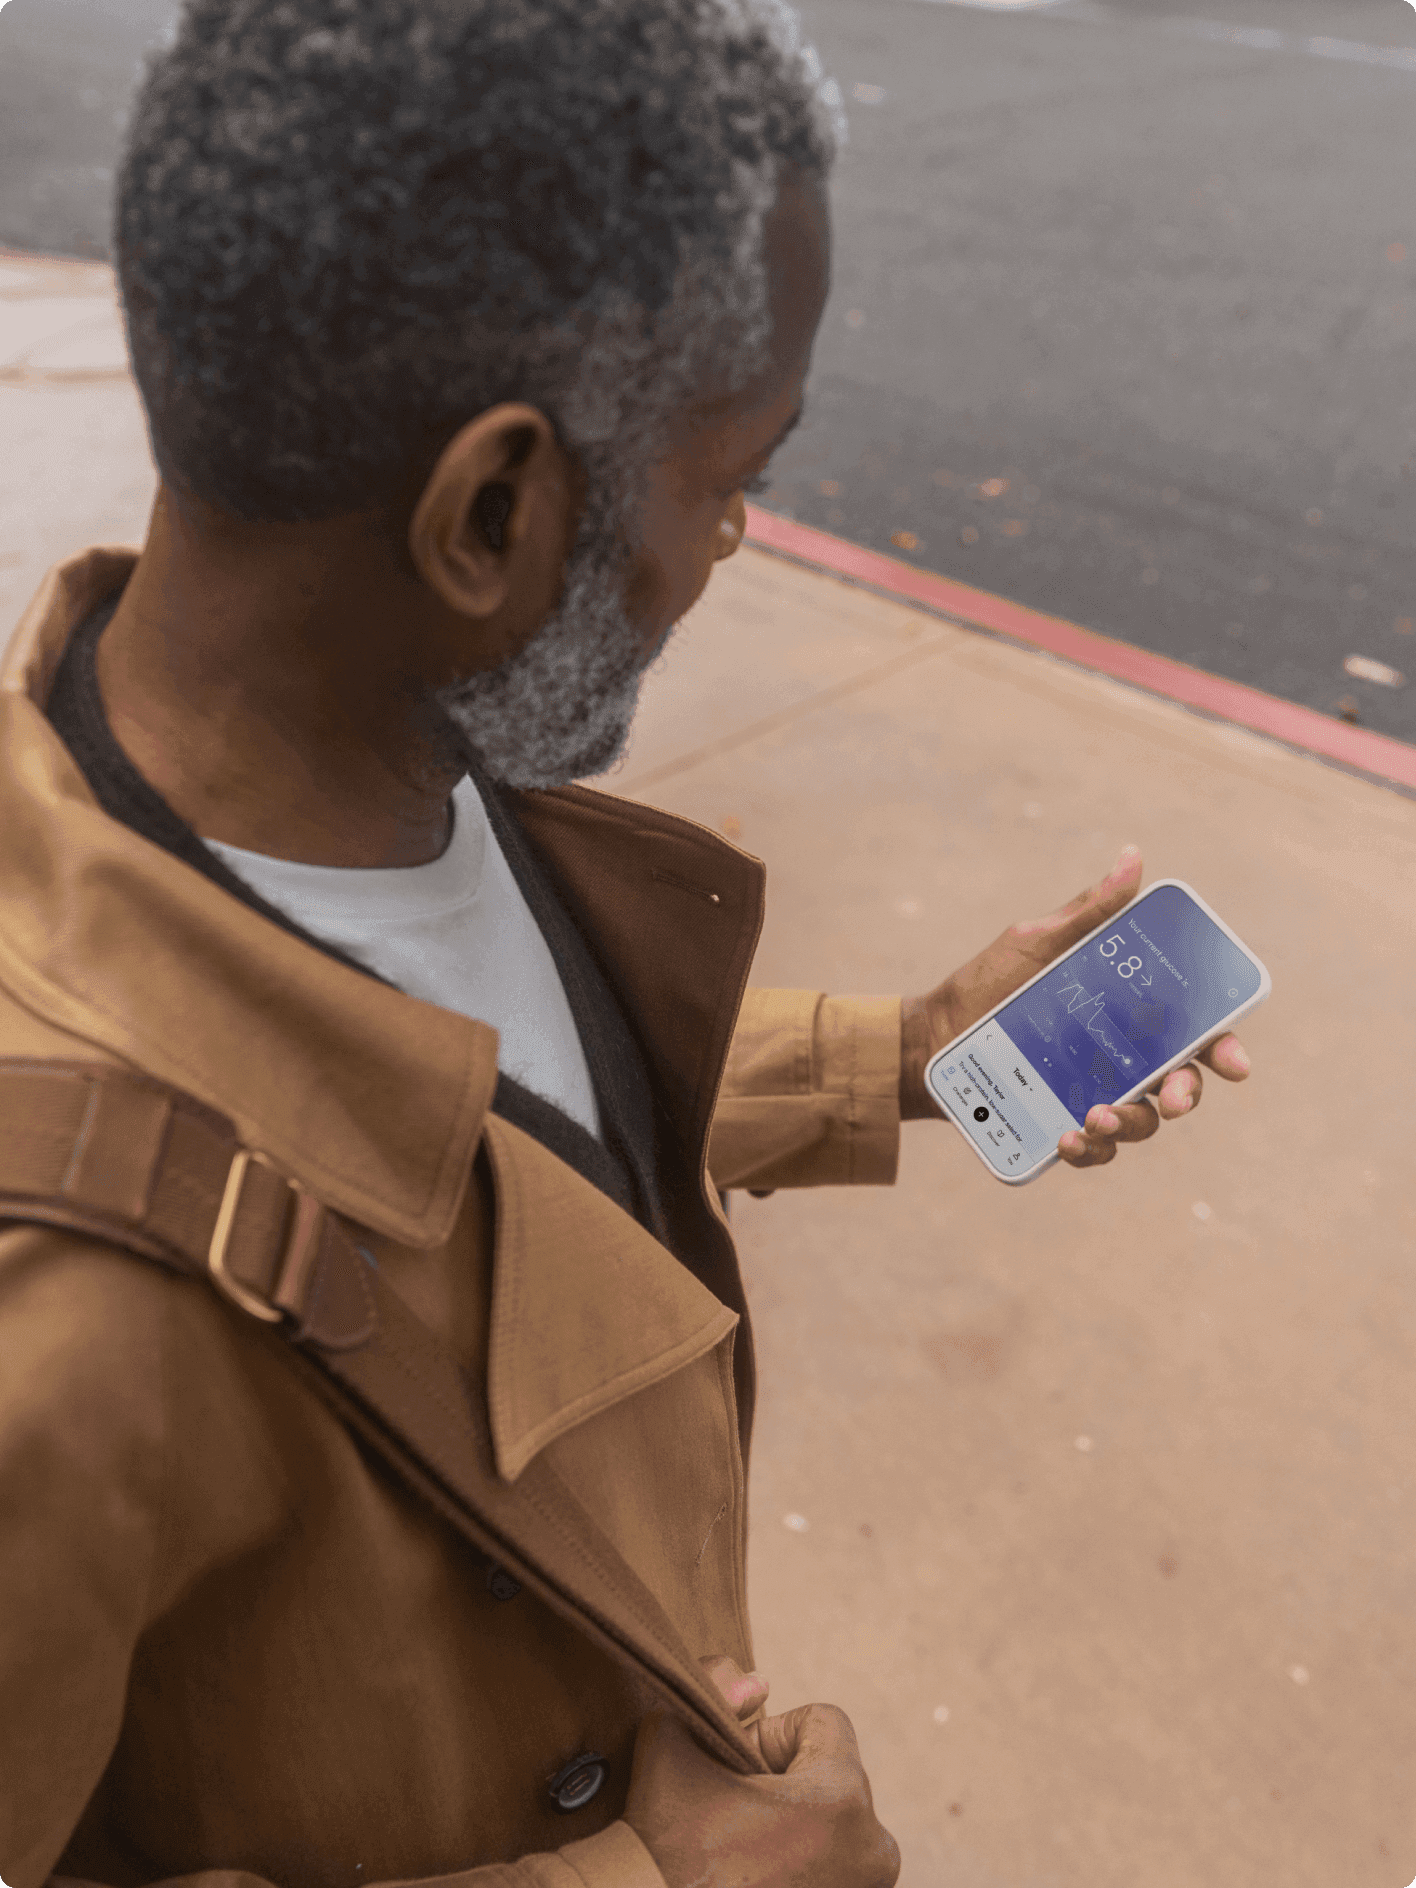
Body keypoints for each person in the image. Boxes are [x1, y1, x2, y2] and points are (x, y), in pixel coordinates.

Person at [0, 3, 1251, 1885]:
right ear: (491, 512)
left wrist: (900, 1056)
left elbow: (471, 1117)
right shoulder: (52, 1347)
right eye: (726, 473)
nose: (737, 533)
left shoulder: (358, 738)